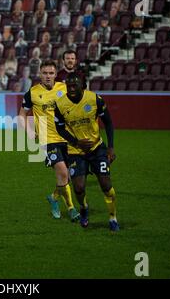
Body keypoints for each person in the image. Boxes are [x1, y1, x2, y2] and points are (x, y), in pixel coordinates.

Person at [53, 74, 119, 231]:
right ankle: (84, 208)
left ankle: (113, 217)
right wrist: (76, 142)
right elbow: (60, 128)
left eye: (75, 86)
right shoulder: (61, 105)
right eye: (69, 87)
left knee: (106, 184)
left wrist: (110, 147)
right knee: (79, 188)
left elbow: (108, 122)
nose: (72, 89)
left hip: (97, 148)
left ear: (82, 85)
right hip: (76, 151)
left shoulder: (95, 99)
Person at [18, 60, 80, 221]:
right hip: (48, 139)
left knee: (67, 177)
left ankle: (53, 197)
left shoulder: (64, 89)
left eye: (51, 73)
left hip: (67, 137)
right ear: (40, 74)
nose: (48, 76)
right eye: (45, 73)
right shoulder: (32, 93)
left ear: (55, 74)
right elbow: (21, 114)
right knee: (63, 172)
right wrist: (30, 131)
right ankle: (72, 209)